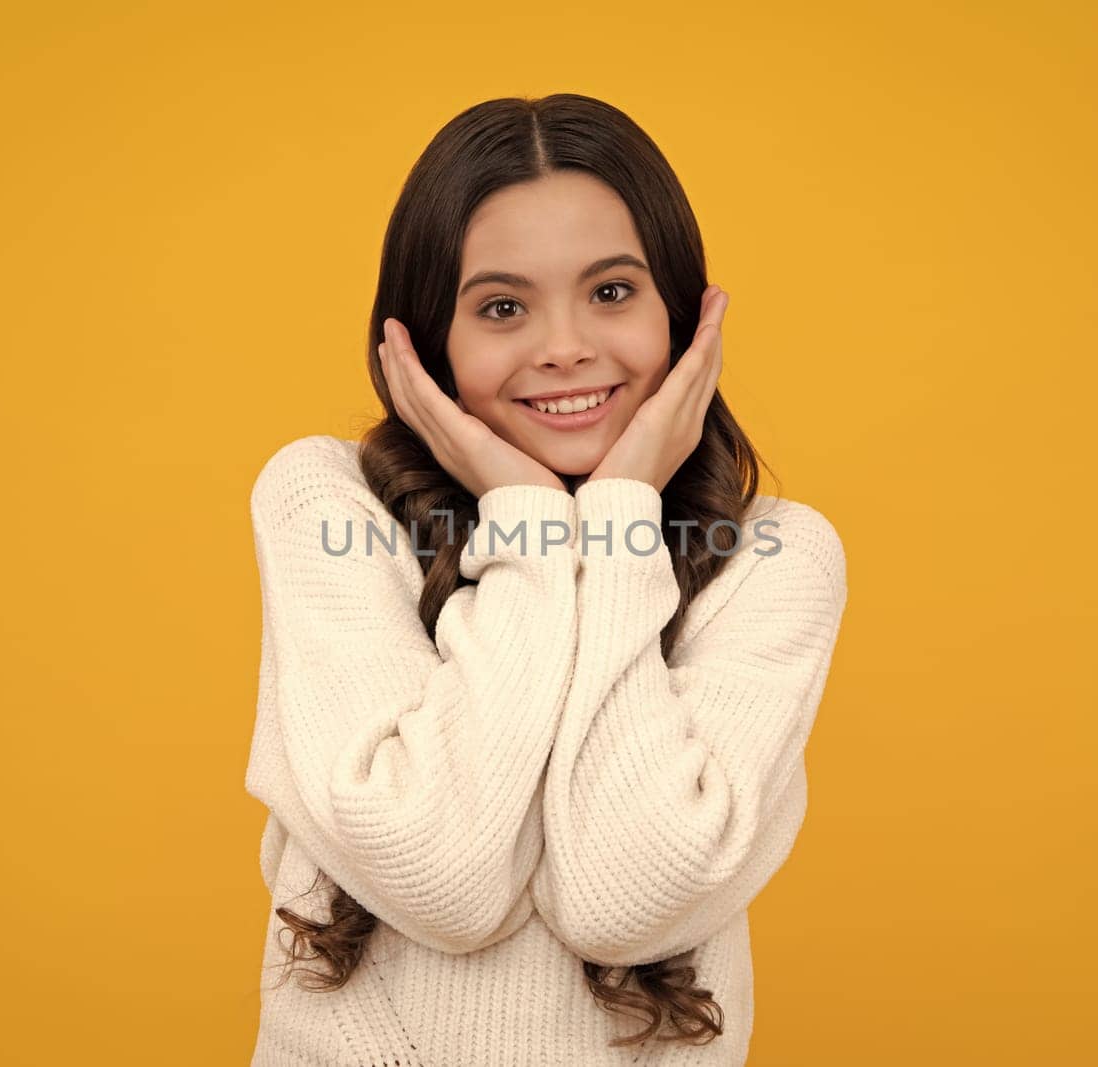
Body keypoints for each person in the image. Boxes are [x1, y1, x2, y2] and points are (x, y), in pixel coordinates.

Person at [243, 92, 848, 1066]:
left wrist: (610, 523)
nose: (563, 345)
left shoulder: (776, 560)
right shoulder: (329, 505)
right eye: (501, 306)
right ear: (426, 336)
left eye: (610, 291)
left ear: (686, 315)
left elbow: (624, 903)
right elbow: (442, 875)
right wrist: (529, 518)